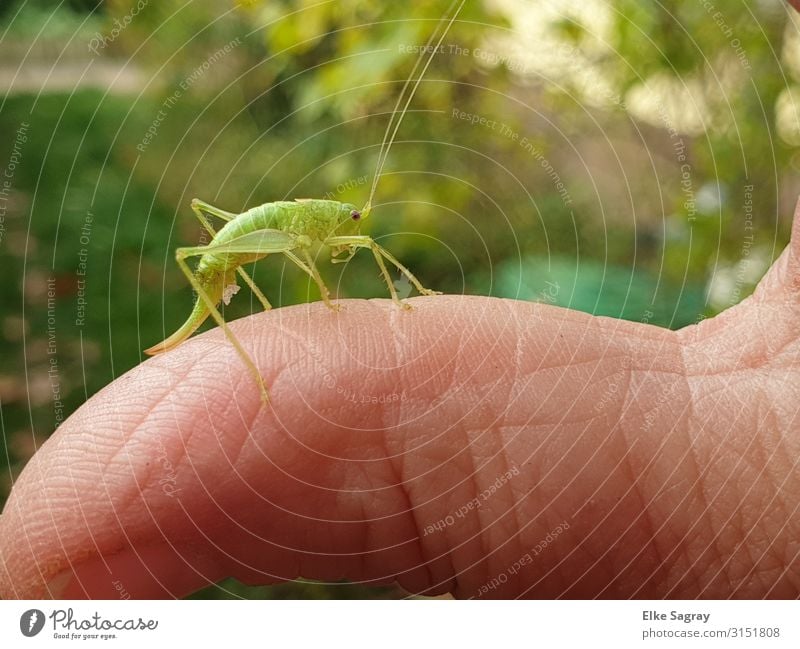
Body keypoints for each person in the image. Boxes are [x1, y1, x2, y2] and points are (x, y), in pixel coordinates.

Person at [2, 197, 799, 599]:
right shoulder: (304, 226)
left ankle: (324, 302)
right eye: (347, 218)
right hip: (232, 246)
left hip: (255, 238)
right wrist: (303, 279)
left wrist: (403, 286)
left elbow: (355, 243)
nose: (353, 225)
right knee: (261, 286)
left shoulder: (339, 223)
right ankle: (237, 346)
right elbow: (305, 248)